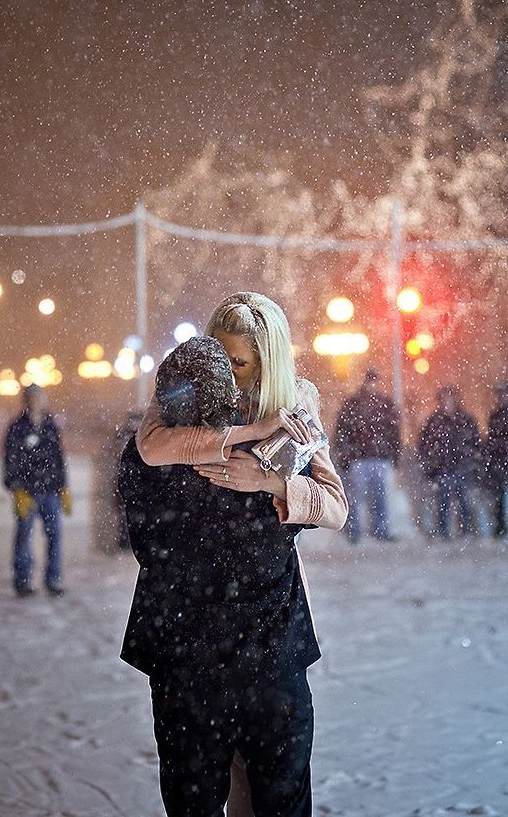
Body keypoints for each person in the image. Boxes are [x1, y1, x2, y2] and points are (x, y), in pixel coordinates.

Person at [134, 291, 347, 815]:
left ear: (268, 361)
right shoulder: (184, 399)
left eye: (241, 362)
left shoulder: (295, 407)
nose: (228, 373)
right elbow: (151, 446)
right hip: (186, 638)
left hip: (267, 641)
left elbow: (336, 508)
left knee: (277, 795)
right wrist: (242, 435)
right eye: (221, 357)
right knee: (194, 795)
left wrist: (270, 482)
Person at [2, 384, 70, 596]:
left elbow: (59, 458)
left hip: (51, 490)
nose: (36, 402)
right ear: (26, 400)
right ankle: (22, 581)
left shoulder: (50, 425)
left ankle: (53, 580)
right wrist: (16, 488)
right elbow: (10, 460)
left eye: (39, 397)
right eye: (32, 398)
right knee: (24, 536)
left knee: (54, 536)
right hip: (27, 491)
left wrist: (63, 487)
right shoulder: (17, 427)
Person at [332, 367, 401, 543]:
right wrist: (345, 455)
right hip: (360, 459)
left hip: (376, 457)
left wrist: (394, 455)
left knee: (378, 497)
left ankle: (378, 530)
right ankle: (356, 531)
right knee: (357, 498)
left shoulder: (383, 405)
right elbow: (342, 432)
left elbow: (394, 433)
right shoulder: (355, 405)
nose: (373, 385)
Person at [418, 386, 481, 538]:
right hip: (442, 468)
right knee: (443, 502)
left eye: (450, 398)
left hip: (461, 467)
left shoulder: (465, 420)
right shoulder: (434, 421)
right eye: (444, 399)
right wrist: (431, 465)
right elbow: (424, 445)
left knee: (464, 502)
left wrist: (472, 462)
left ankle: (466, 531)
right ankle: (444, 531)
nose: (447, 402)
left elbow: (475, 442)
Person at [483, 380, 508, 538]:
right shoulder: (496, 416)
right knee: (499, 497)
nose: (502, 397)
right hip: (499, 461)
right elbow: (493, 440)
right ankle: (501, 527)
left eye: (504, 394)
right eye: (500, 395)